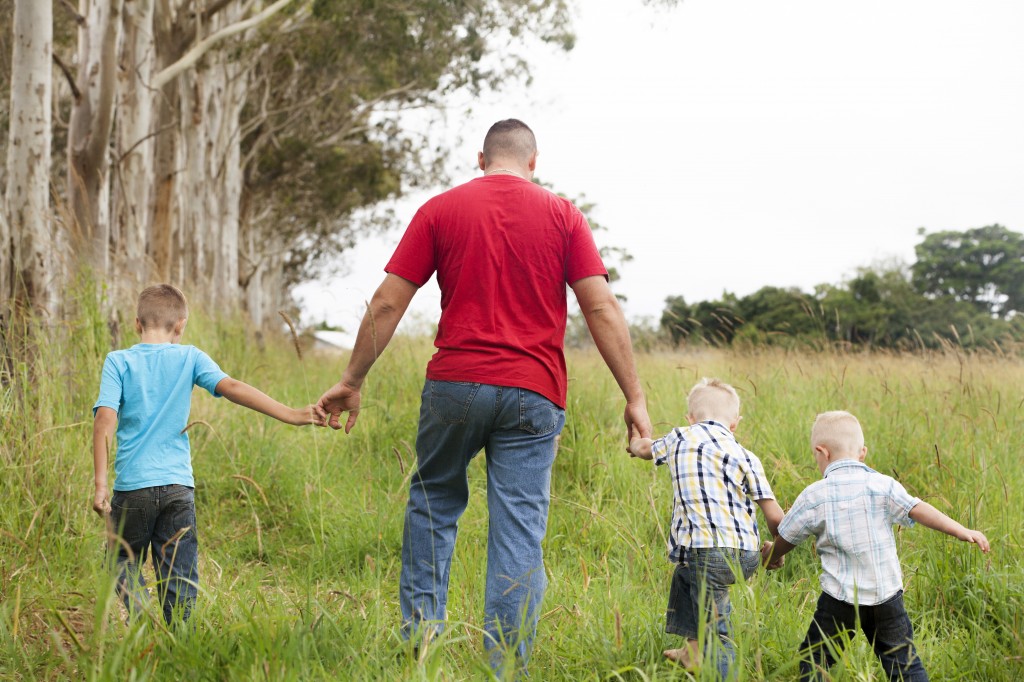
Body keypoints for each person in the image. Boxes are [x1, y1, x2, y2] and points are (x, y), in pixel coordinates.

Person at [316, 119, 652, 672]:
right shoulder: (563, 215)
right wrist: (634, 395)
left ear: (480, 158)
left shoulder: (440, 210)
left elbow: (385, 304)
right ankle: (506, 668)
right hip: (534, 392)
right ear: (533, 162)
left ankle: (419, 647)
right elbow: (600, 308)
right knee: (518, 528)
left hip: (453, 386)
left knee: (433, 504)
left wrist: (352, 379)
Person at [92, 284, 322, 624]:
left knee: (119, 561)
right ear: (181, 325)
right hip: (178, 489)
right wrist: (290, 413)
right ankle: (180, 643)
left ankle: (142, 621)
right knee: (179, 576)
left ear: (137, 324)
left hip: (133, 487)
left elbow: (105, 419)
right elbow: (232, 387)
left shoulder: (118, 361)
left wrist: (100, 484)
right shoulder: (190, 356)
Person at [762, 410, 991, 682]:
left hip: (839, 600)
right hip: (886, 596)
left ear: (821, 452)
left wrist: (769, 556)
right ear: (862, 452)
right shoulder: (883, 485)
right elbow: (918, 508)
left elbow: (787, 535)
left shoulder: (815, 494)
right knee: (904, 665)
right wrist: (961, 530)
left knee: (816, 661)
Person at [628, 377, 784, 678]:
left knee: (717, 631)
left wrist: (634, 443)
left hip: (707, 553)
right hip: (746, 555)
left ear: (690, 418)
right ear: (735, 423)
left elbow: (647, 449)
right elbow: (775, 517)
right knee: (685, 575)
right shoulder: (747, 456)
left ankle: (718, 665)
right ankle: (693, 652)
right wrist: (775, 551)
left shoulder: (679, 438)